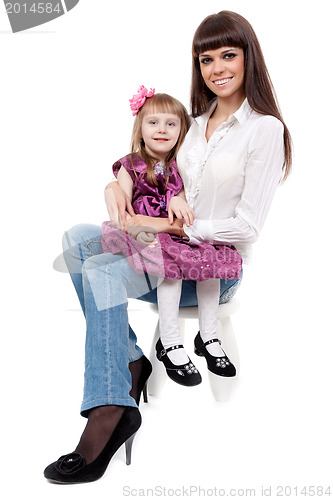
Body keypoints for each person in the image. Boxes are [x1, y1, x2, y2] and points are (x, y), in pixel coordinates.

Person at [44, 10, 292, 484]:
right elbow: (149, 169)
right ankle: (132, 360)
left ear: (249, 58)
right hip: (159, 251)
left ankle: (110, 409)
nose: (216, 68)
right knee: (77, 239)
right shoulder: (191, 122)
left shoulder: (264, 130)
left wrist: (176, 229)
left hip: (210, 268)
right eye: (205, 59)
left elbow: (248, 226)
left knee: (100, 270)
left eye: (228, 55)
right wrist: (112, 188)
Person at [101, 87, 242, 387]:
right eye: (153, 122)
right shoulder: (130, 166)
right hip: (146, 239)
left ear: (182, 131)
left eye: (171, 123)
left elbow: (185, 201)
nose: (162, 130)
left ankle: (209, 335)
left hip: (179, 237)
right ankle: (171, 341)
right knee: (171, 269)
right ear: (140, 129)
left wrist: (178, 198)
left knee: (209, 260)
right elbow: (125, 220)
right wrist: (163, 219)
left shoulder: (183, 166)